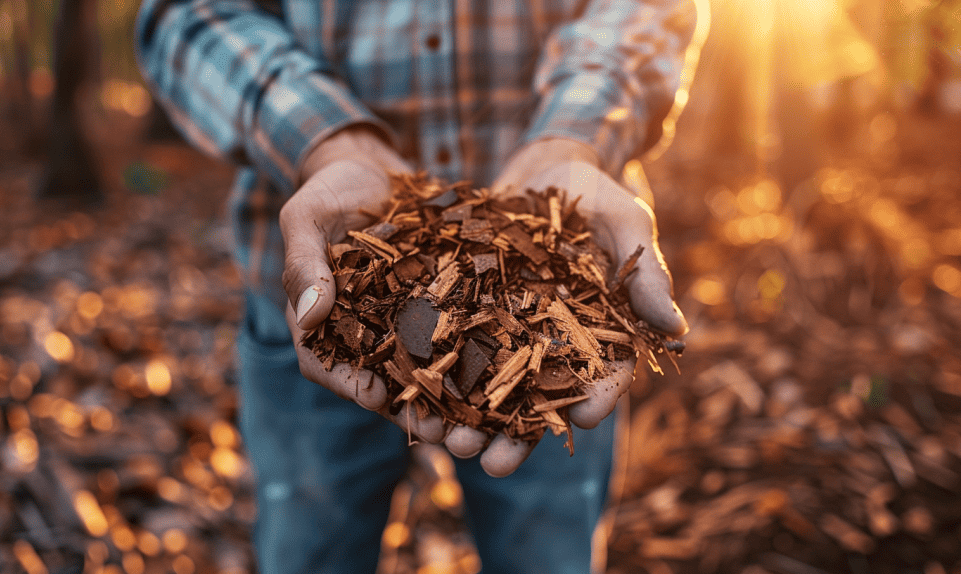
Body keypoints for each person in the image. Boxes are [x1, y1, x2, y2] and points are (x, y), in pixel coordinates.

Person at [136, 1, 695, 572]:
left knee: (549, 557)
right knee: (311, 554)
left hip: (563, 309)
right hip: (320, 294)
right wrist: (325, 139)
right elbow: (187, 14)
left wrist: (575, 137)